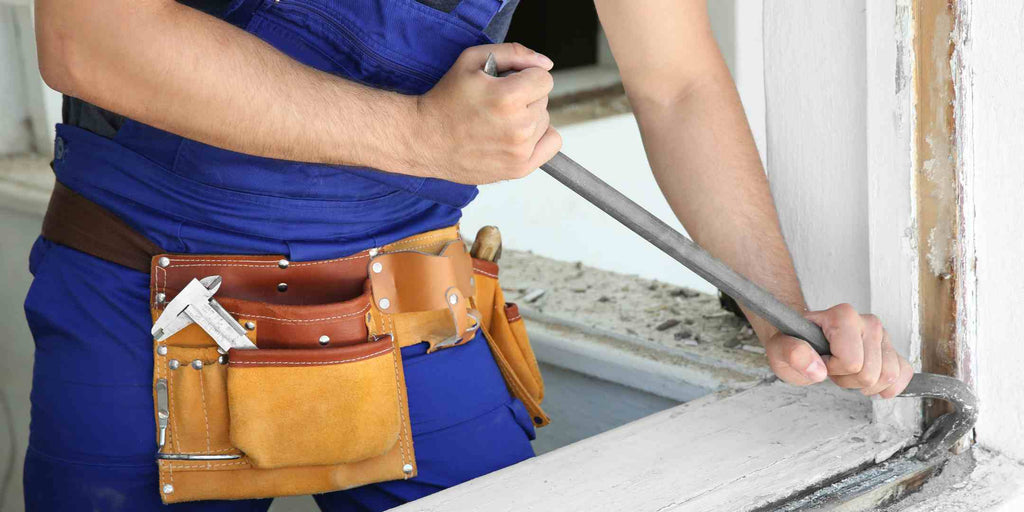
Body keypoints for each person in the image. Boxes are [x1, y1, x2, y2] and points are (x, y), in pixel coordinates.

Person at [27, 0, 914, 509]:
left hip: (413, 311)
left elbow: (675, 82)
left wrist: (777, 313)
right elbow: (90, 38)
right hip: (142, 308)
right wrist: (417, 135)